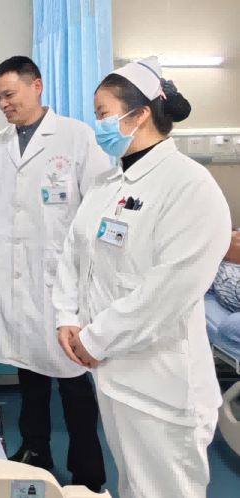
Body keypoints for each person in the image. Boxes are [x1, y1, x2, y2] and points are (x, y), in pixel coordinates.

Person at [53, 56, 231, 498]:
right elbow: (74, 254)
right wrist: (67, 317)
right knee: (132, 485)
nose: (98, 126)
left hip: (162, 387)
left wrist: (94, 340)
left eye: (103, 114)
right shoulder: (107, 185)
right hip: (112, 375)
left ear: (141, 113)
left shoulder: (190, 186)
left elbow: (167, 291)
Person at [0, 56, 110, 492]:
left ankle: (87, 468)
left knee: (73, 376)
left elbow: (97, 206)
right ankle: (36, 451)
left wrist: (89, 271)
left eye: (9, 95)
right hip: (15, 276)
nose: (3, 104)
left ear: (36, 86)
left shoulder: (76, 136)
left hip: (62, 276)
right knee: (28, 371)